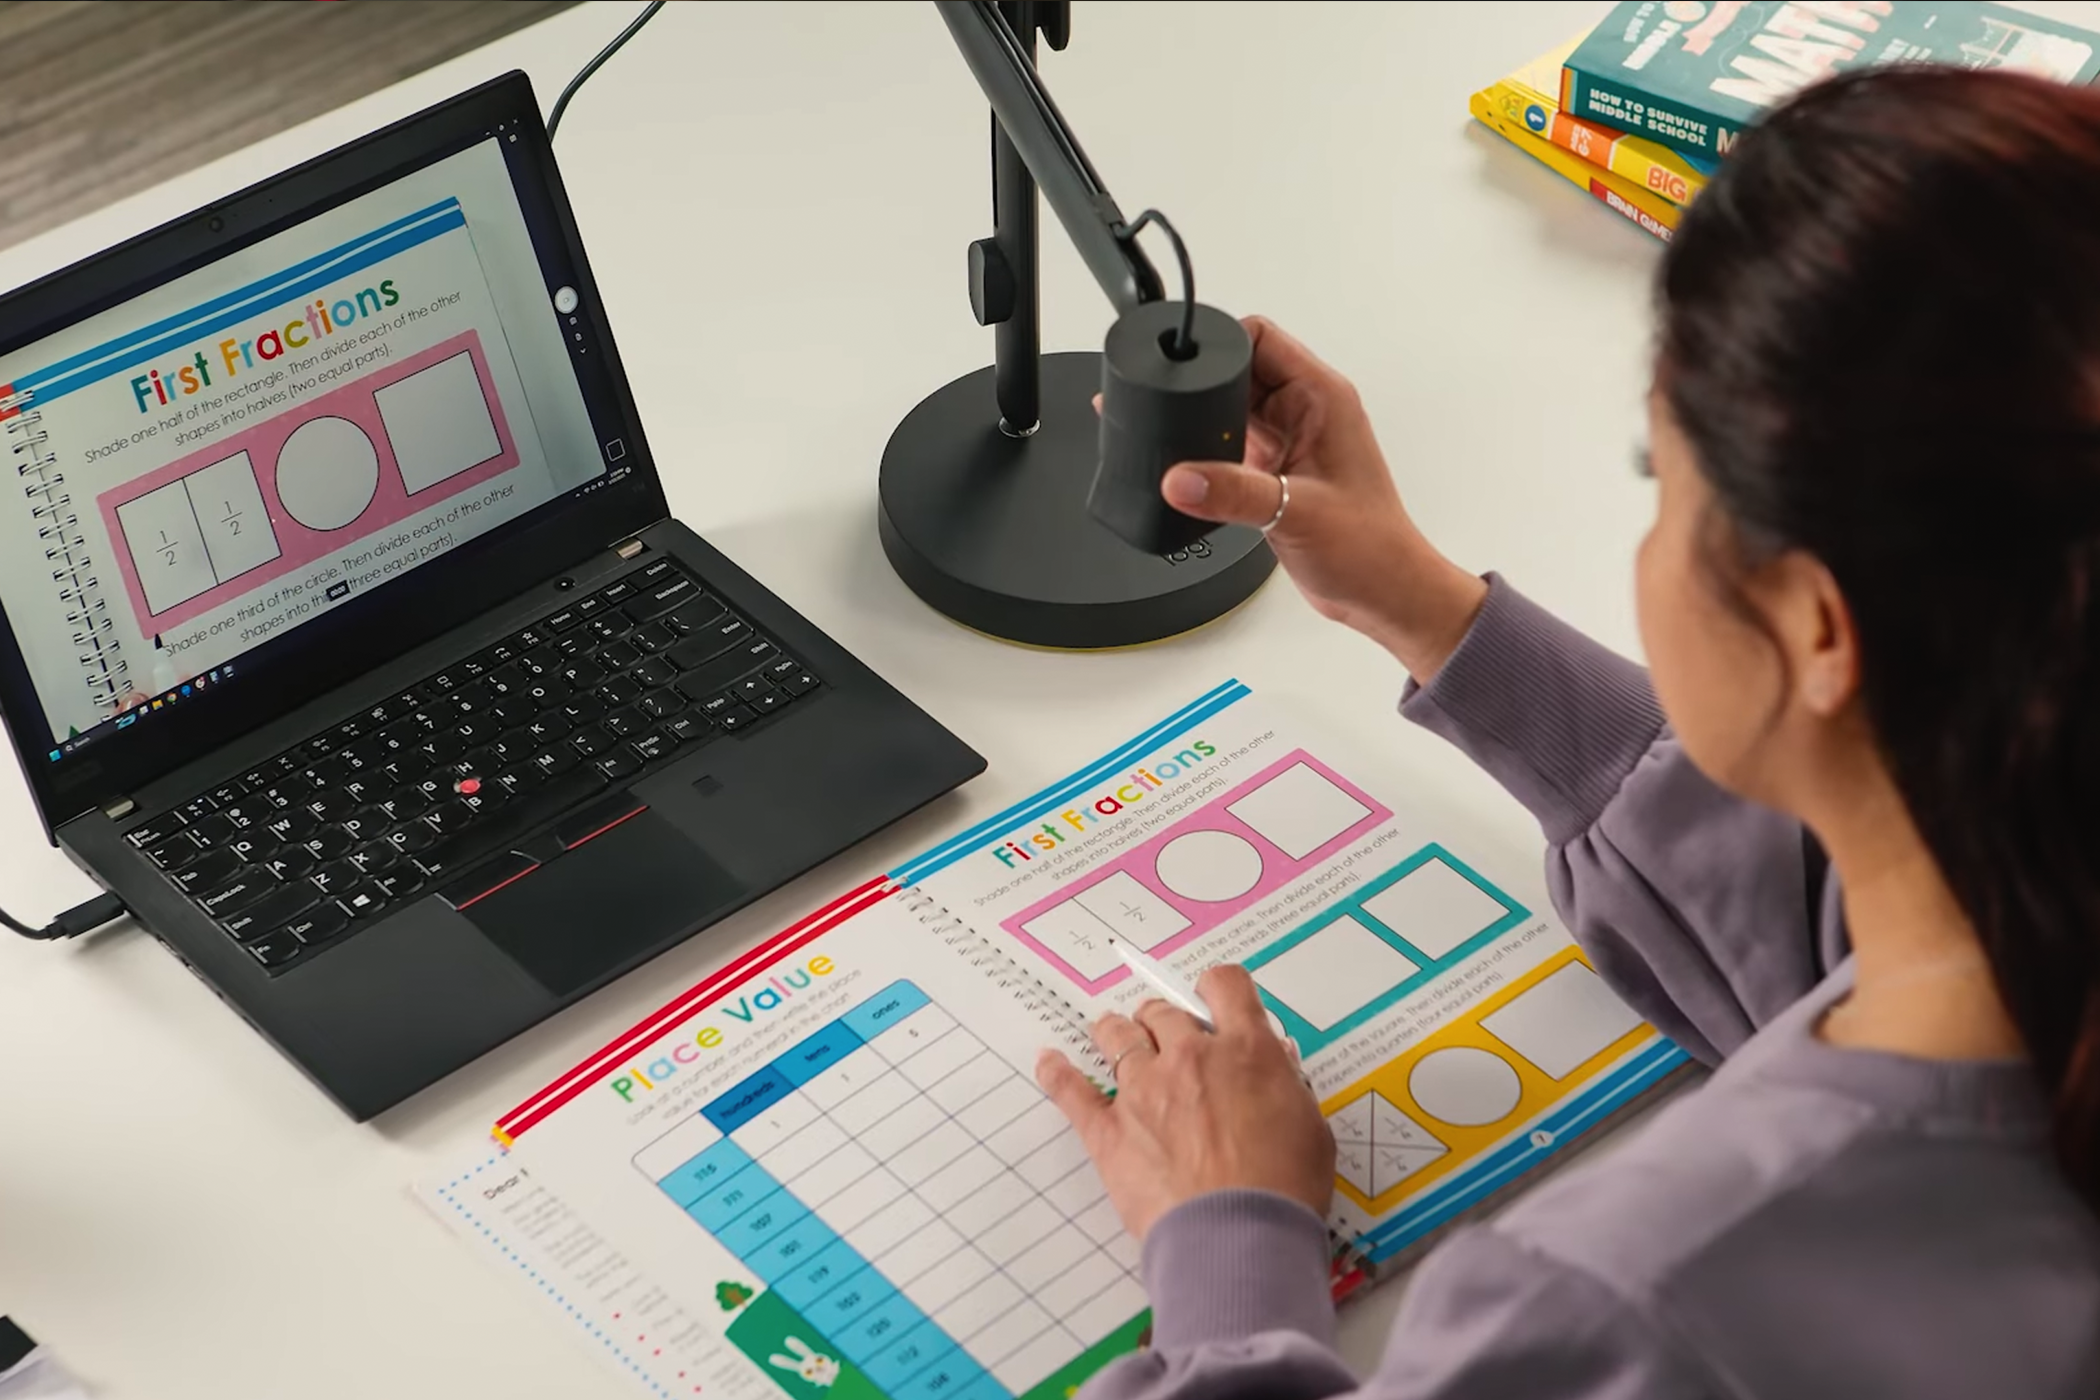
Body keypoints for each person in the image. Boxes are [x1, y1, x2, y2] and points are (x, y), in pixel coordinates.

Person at [1032, 66, 2100, 1398]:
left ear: (1820, 629)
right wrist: (1425, 607)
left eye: (1663, 482)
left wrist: (1231, 1248)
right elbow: (1837, 939)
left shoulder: (1624, 1308)